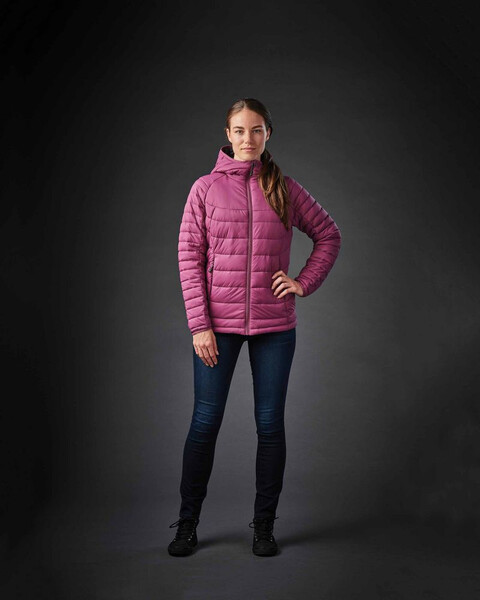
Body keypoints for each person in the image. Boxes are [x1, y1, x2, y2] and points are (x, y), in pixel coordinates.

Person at [168, 98, 341, 557]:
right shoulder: (205, 189)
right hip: (217, 328)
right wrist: (199, 326)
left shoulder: (284, 188)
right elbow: (189, 258)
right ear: (228, 135)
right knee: (205, 422)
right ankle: (187, 524)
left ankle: (264, 527)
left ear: (268, 135)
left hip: (274, 327)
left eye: (257, 130)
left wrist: (302, 282)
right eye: (240, 130)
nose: (249, 138)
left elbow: (329, 235)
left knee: (269, 425)